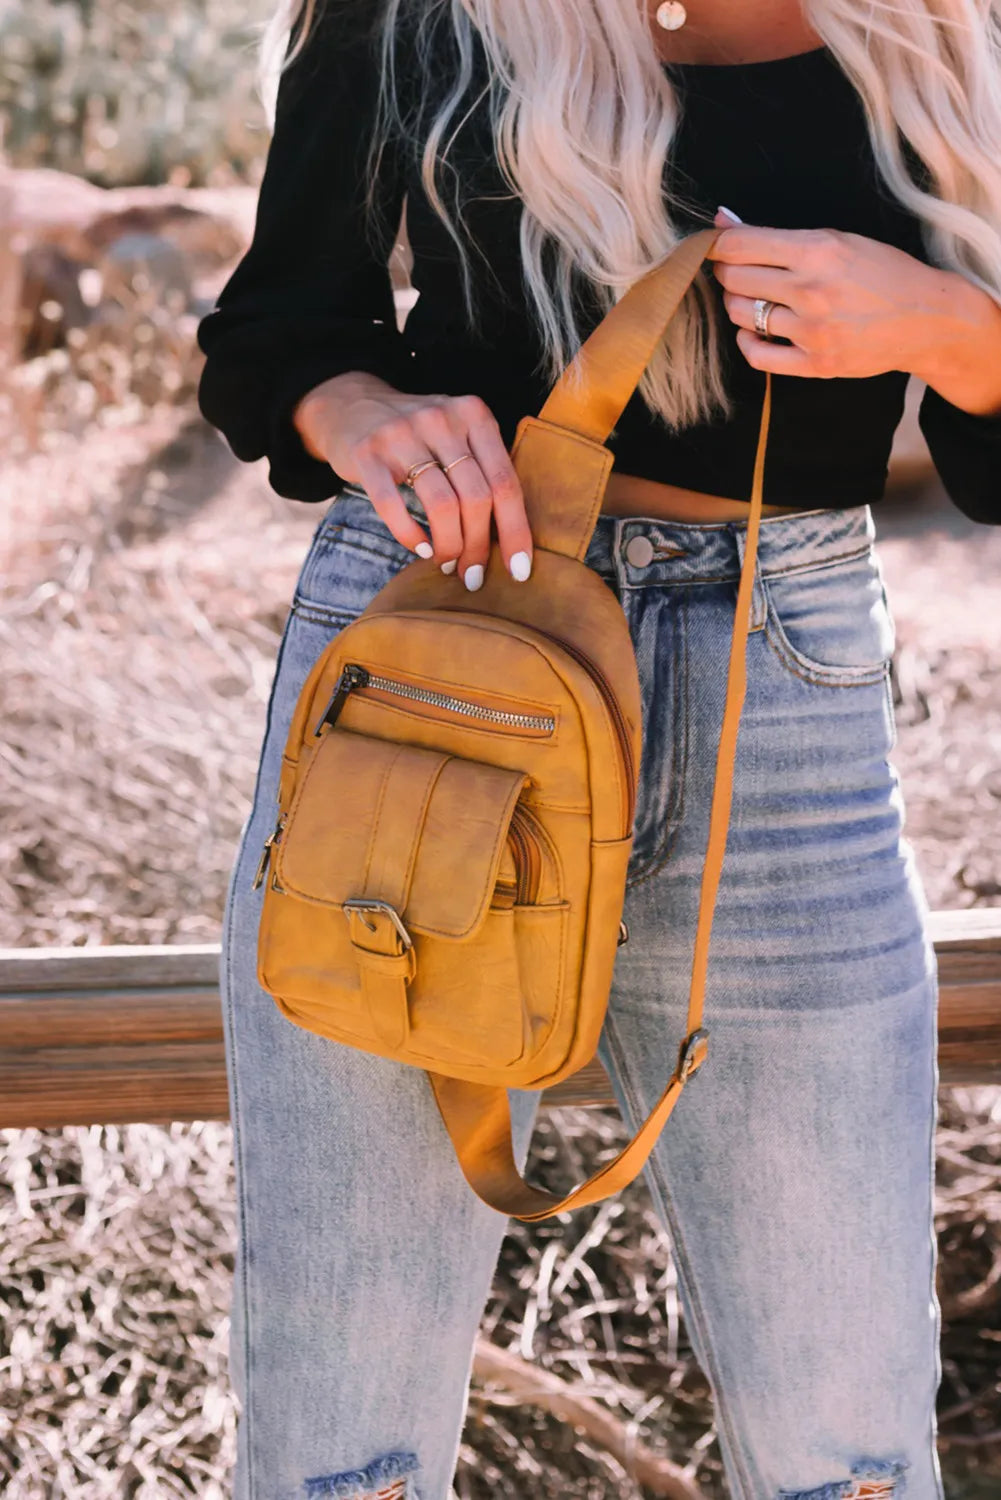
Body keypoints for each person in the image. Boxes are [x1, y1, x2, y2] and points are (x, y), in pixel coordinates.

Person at [196, 1, 1001, 1496]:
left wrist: (950, 331)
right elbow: (276, 332)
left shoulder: (952, 26)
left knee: (848, 1452)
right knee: (338, 1450)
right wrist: (362, 414)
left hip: (781, 684)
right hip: (433, 658)